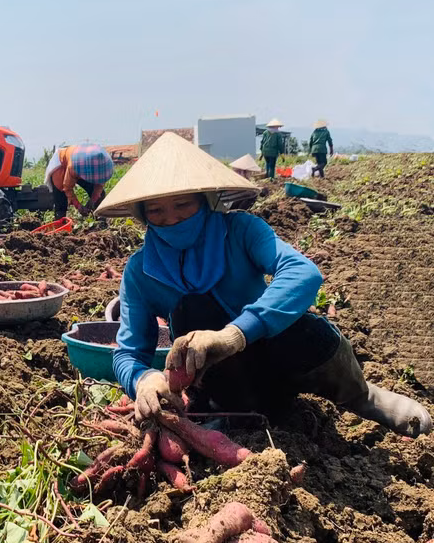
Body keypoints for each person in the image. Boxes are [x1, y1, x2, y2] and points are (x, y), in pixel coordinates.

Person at [95, 133, 432, 438]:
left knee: (302, 324)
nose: (172, 218)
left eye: (183, 204)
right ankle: (238, 415)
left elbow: (303, 273)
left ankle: (362, 396)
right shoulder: (141, 271)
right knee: (195, 310)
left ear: (206, 199)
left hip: (281, 350)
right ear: (142, 215)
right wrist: (142, 379)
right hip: (225, 379)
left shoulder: (241, 231)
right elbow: (128, 353)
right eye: (156, 210)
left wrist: (234, 335)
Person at [44, 145, 114, 219]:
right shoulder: (73, 167)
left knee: (100, 194)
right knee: (61, 200)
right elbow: (67, 188)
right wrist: (78, 205)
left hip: (81, 165)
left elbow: (99, 185)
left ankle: (100, 218)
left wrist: (93, 200)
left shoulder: (102, 167)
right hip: (61, 164)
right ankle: (60, 222)